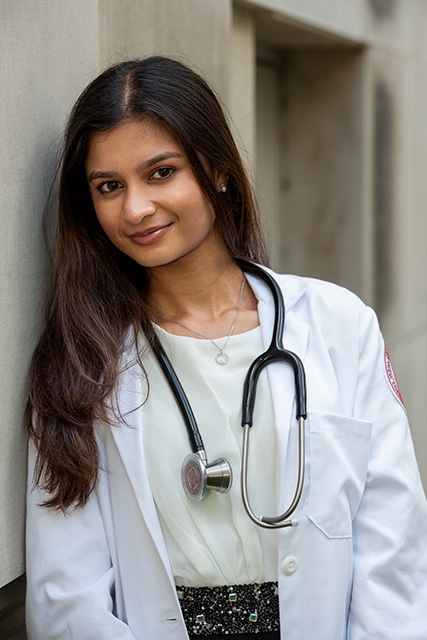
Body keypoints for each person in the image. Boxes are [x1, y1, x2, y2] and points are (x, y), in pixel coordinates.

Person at [25, 56, 427, 640]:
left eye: (160, 173)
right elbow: (66, 596)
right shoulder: (81, 362)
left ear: (216, 170)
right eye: (109, 187)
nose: (135, 208)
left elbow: (392, 545)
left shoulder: (340, 326)